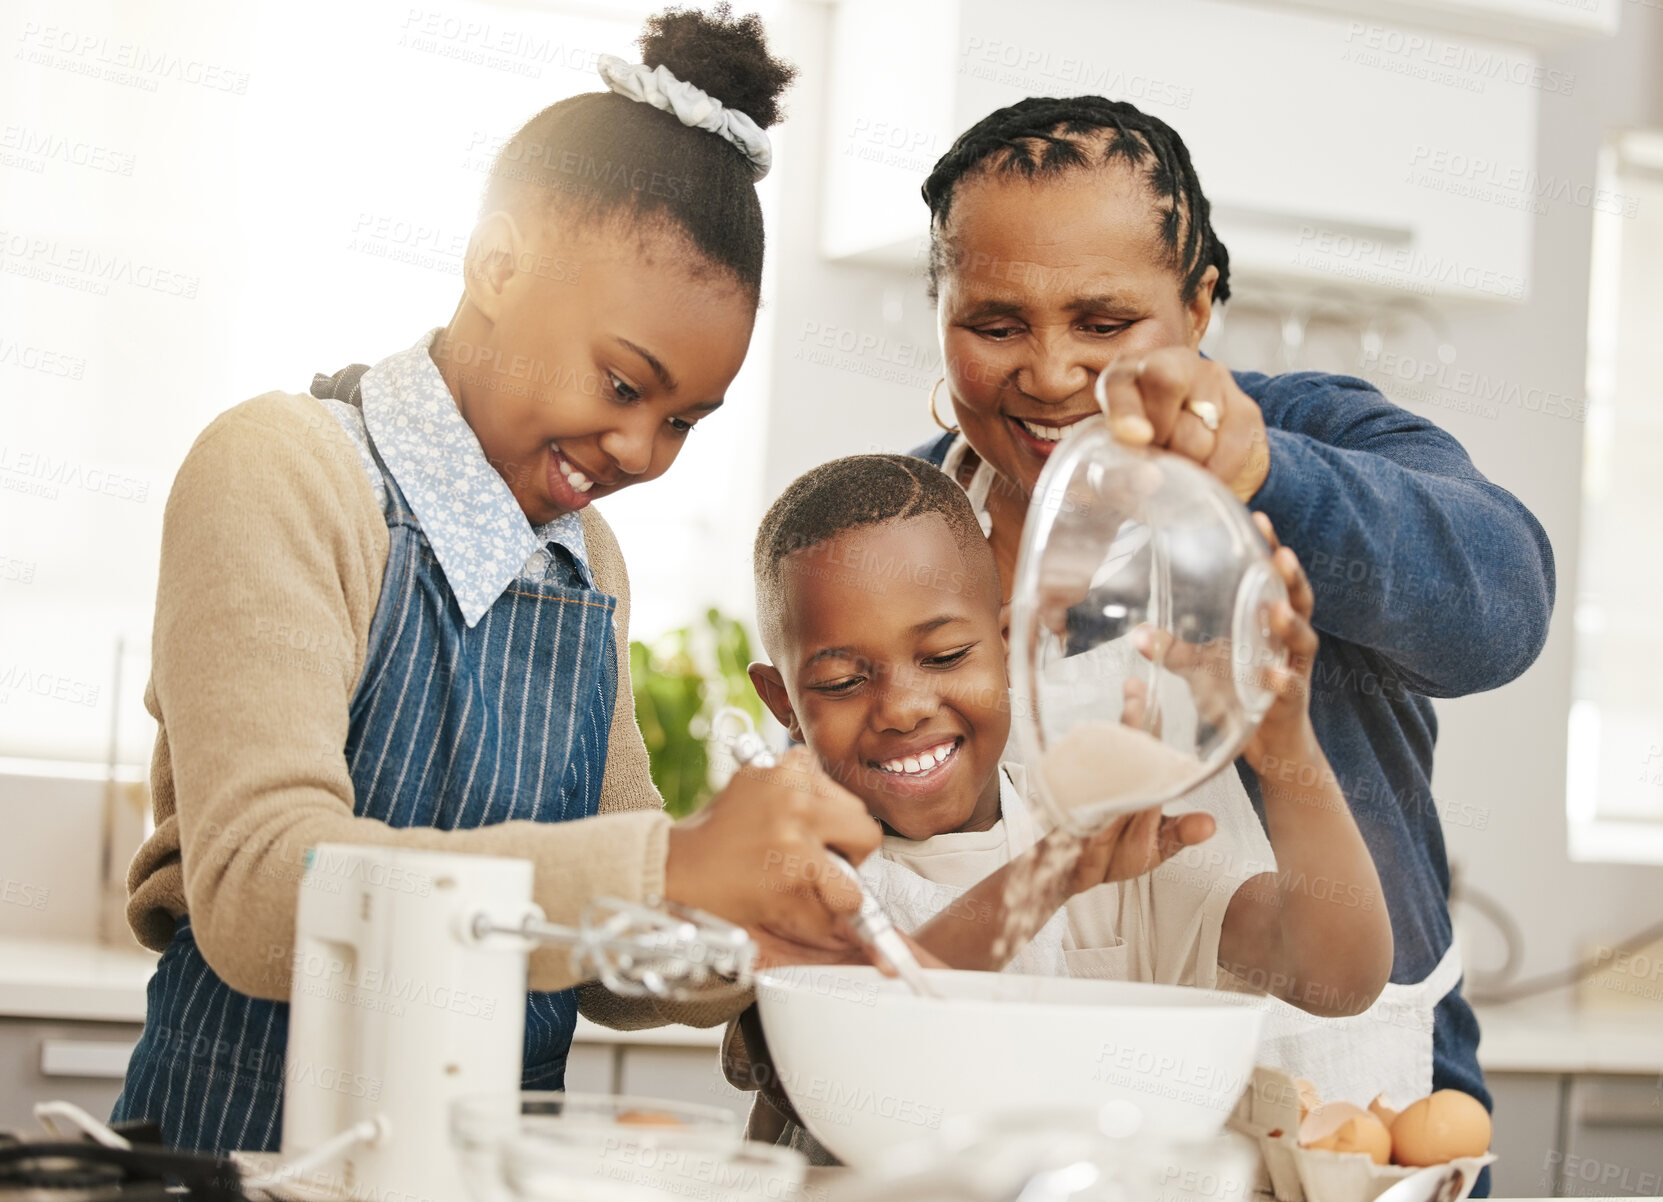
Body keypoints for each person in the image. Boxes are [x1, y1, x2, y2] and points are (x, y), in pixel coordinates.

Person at [111, 6, 883, 1154]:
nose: (641, 452)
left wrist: (740, 925)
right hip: (238, 1158)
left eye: (683, 420)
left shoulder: (585, 561)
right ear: (497, 262)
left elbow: (613, 961)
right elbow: (268, 894)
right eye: (625, 384)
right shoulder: (287, 469)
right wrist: (670, 863)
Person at [908, 95, 1555, 1162]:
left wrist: (1262, 476)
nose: (1052, 371)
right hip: (1038, 1123)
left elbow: (1503, 609)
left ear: (1198, 305)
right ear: (940, 308)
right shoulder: (910, 519)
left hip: (1340, 1101)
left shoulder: (1308, 440)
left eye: (1105, 323)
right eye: (995, 323)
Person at [726, 454, 1392, 1159]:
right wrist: (1047, 878)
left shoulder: (1107, 839)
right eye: (840, 681)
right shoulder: (784, 865)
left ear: (1011, 649)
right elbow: (870, 1047)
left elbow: (1337, 975)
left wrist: (1286, 743)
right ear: (781, 701)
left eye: (947, 655)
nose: (902, 708)